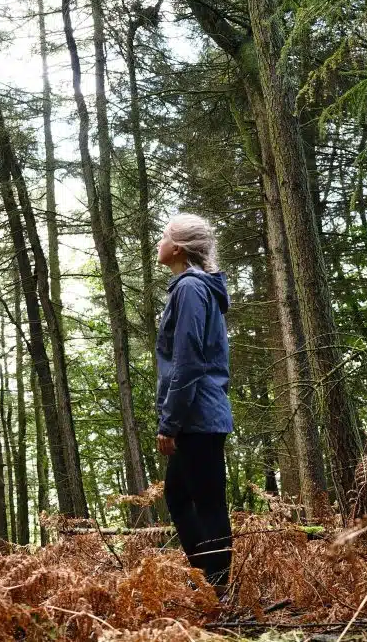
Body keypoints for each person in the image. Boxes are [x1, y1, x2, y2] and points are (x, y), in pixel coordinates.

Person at [154, 213, 234, 598]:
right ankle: (208, 579)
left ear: (179, 248)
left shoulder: (189, 289)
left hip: (196, 414)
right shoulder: (195, 288)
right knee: (182, 496)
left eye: (164, 236)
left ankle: (216, 589)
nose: (159, 242)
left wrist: (170, 422)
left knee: (205, 501)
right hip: (201, 411)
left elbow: (188, 361)